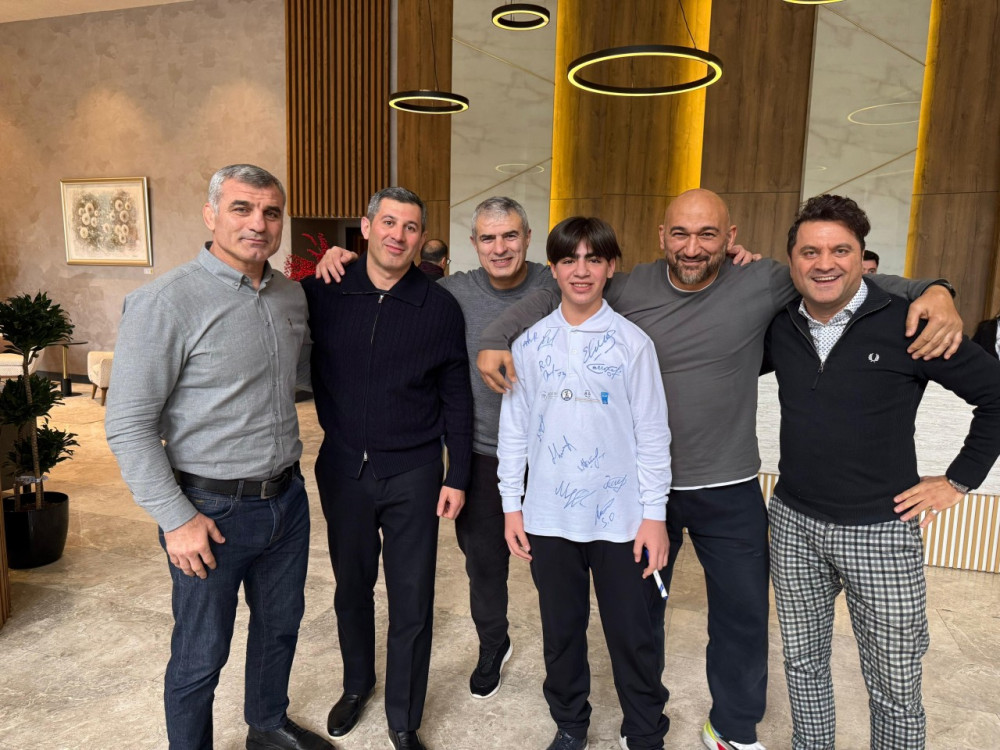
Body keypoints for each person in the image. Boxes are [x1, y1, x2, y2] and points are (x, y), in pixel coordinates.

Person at [477, 188, 963, 750]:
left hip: (728, 485)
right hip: (644, 493)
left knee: (742, 615)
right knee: (639, 617)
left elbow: (846, 277)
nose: (692, 247)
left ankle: (732, 728)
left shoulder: (762, 280)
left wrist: (935, 290)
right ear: (661, 237)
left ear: (730, 238)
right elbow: (559, 289)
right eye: (681, 234)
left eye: (708, 234)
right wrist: (495, 337)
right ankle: (641, 720)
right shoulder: (630, 284)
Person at [105, 164, 330, 750]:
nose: (258, 223)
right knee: (201, 653)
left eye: (271, 212)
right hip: (209, 510)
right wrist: (176, 520)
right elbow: (128, 425)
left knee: (280, 628)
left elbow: (305, 379)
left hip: (286, 499)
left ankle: (267, 726)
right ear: (210, 215)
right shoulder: (165, 302)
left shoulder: (290, 295)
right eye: (241, 208)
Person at [763, 194, 1000, 749]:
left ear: (863, 257)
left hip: (882, 533)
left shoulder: (909, 323)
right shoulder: (779, 325)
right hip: (793, 524)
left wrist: (958, 480)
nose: (825, 263)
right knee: (802, 665)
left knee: (894, 686)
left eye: (840, 250)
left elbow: (995, 395)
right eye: (810, 251)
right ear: (791, 261)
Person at [315, 196, 557, 701]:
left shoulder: (556, 284)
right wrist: (344, 259)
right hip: (486, 453)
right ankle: (493, 644)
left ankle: (563, 673)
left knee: (557, 570)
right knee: (484, 565)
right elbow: (393, 283)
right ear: (473, 244)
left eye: (510, 236)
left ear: (528, 238)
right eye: (488, 238)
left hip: (555, 456)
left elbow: (606, 283)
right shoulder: (452, 293)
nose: (500, 247)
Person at [300, 187, 472, 750]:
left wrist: (457, 474)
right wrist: (325, 260)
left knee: (411, 597)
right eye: (389, 222)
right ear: (367, 227)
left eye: (411, 227)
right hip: (343, 468)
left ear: (421, 239)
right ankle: (357, 684)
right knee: (351, 588)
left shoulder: (439, 307)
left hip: (415, 472)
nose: (399, 235)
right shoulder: (323, 291)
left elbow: (457, 397)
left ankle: (404, 717)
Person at [499, 217, 672, 750]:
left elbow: (652, 434)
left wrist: (655, 515)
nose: (581, 270)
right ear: (552, 268)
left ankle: (644, 729)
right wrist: (511, 506)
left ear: (610, 267)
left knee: (633, 634)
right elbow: (514, 432)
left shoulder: (633, 344)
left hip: (621, 521)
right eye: (569, 259)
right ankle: (570, 723)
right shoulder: (529, 344)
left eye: (593, 259)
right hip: (548, 518)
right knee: (561, 632)